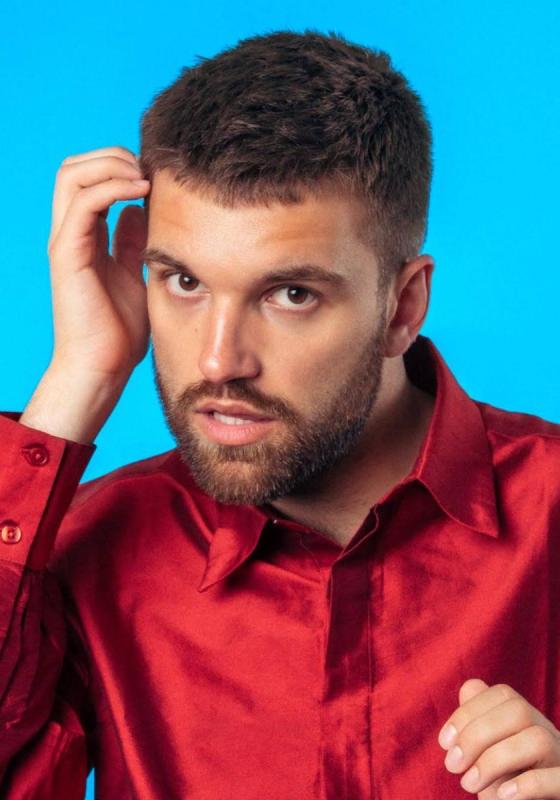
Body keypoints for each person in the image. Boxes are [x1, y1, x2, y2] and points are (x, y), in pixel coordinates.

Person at [1, 28, 559, 800]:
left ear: (403, 306)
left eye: (289, 294)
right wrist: (76, 382)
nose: (218, 361)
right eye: (184, 282)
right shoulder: (82, 550)